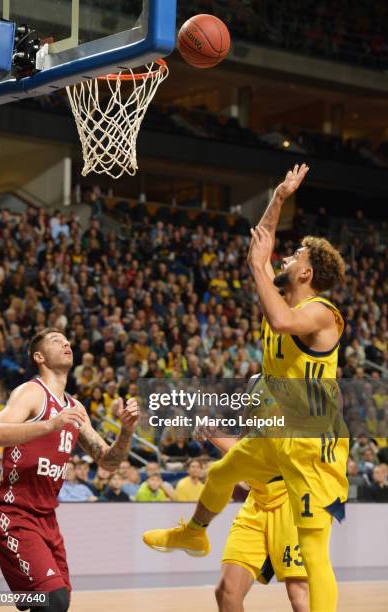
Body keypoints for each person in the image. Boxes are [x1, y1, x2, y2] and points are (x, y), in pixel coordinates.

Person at [143, 164, 349, 612]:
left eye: (294, 257)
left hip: (313, 441)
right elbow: (262, 244)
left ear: (307, 274)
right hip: (279, 431)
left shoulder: (320, 313)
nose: (284, 258)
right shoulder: (285, 294)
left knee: (313, 557)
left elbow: (280, 315)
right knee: (222, 472)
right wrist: (278, 198)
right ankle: (194, 533)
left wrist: (258, 264)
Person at [0, 328, 139, 612]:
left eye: (67, 340)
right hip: (15, 512)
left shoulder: (76, 408)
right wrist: (51, 425)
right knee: (52, 600)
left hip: (47, 519)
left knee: (59, 601)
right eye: (56, 341)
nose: (66, 343)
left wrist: (126, 432)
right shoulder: (31, 392)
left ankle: (8, 597)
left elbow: (107, 461)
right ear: (39, 357)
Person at [199, 425, 308, 612]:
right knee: (226, 593)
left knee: (298, 593)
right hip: (257, 503)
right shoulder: (255, 405)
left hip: (290, 502)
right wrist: (209, 430)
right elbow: (244, 445)